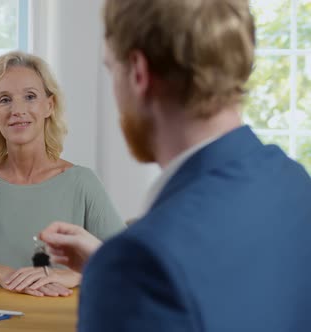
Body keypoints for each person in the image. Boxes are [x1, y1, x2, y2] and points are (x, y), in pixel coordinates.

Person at [40, 0, 311, 330]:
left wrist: (118, 273)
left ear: (138, 72)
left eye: (112, 69)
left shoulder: (140, 263)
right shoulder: (294, 183)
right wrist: (107, 264)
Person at [0, 51, 125, 297]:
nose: (17, 110)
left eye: (30, 97)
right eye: (4, 100)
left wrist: (73, 275)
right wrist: (8, 275)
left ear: (49, 106)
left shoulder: (82, 182)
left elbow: (126, 260)